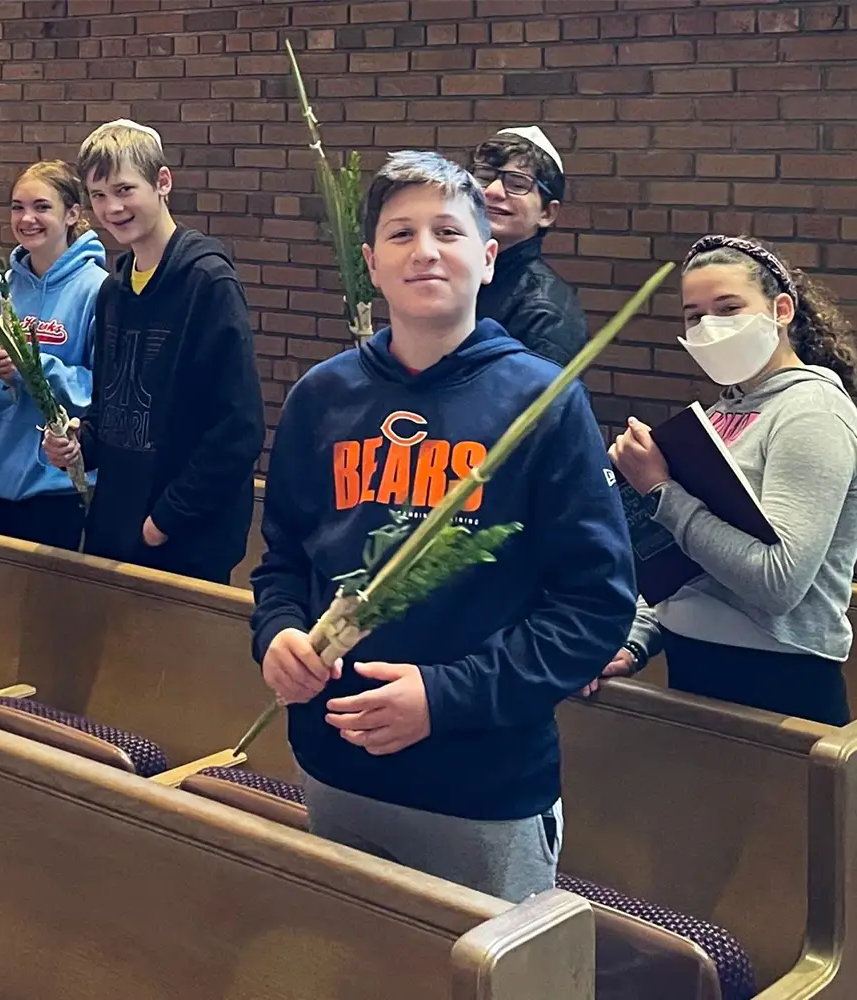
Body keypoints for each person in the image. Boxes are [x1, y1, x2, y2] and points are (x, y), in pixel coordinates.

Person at [251, 151, 636, 902]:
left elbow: (595, 607)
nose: (425, 251)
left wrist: (445, 698)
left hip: (482, 785)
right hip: (335, 768)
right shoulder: (319, 399)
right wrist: (278, 638)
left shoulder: (544, 402)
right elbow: (283, 564)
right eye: (400, 234)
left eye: (448, 232)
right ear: (370, 263)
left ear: (488, 257)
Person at [587, 235, 857, 726]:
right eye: (694, 315)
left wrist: (661, 492)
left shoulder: (812, 410)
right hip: (695, 668)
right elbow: (691, 571)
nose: (710, 326)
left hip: (778, 681)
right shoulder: (719, 415)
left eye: (729, 307)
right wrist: (636, 640)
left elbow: (777, 583)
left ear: (780, 310)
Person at [41, 120, 265, 584]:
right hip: (116, 526)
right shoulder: (114, 291)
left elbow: (238, 428)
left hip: (182, 537)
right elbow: (112, 408)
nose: (112, 208)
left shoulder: (207, 282)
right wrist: (78, 443)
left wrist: (166, 520)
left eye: (125, 189)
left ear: (162, 182)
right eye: (98, 195)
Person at [0, 160, 106, 549]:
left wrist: (34, 367)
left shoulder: (98, 292)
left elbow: (102, 393)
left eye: (42, 207)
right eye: (17, 206)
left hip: (55, 492)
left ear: (72, 214)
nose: (27, 218)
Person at [468, 126, 586, 364]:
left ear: (547, 213)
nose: (493, 191)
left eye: (518, 183)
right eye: (485, 177)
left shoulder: (546, 314)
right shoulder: (453, 272)